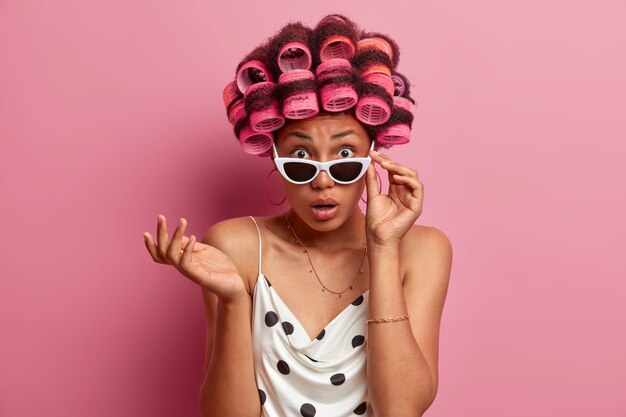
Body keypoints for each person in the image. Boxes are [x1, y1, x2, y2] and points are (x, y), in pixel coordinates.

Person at [143, 14, 452, 417]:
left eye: (344, 158)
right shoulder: (236, 246)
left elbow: (401, 409)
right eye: (300, 159)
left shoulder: (422, 250)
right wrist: (235, 300)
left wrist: (383, 247)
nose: (323, 181)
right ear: (274, 158)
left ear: (374, 156)